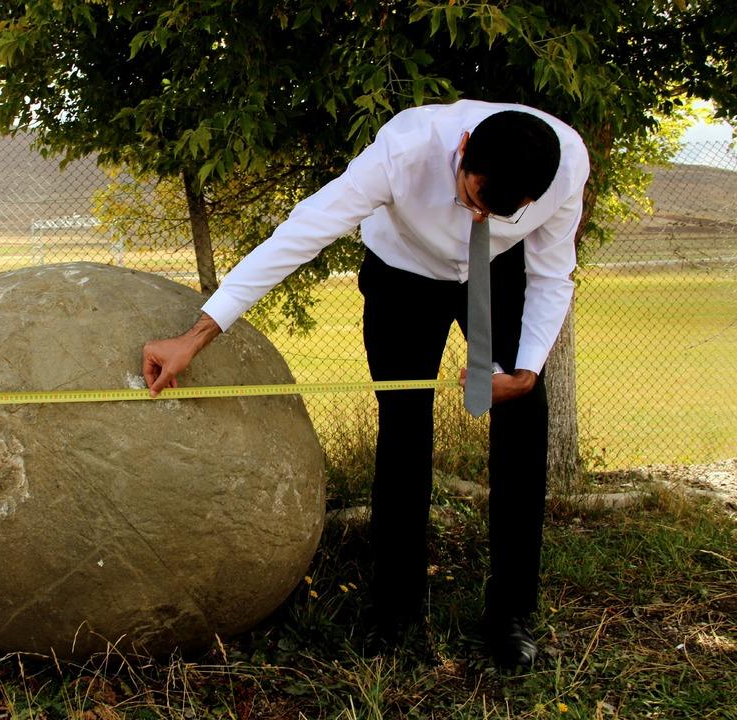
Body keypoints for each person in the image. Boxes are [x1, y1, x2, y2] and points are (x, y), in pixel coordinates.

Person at [141, 99, 589, 669]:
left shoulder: (567, 162)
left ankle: (511, 612)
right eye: (472, 199)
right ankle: (396, 610)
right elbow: (300, 235)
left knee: (524, 427)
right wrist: (197, 335)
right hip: (403, 275)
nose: (477, 217)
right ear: (463, 148)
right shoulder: (403, 151)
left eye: (501, 211)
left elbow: (551, 272)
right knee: (404, 435)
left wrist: (524, 371)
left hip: (499, 275)